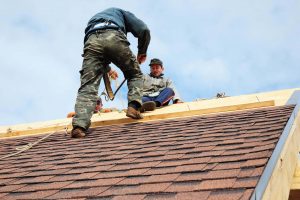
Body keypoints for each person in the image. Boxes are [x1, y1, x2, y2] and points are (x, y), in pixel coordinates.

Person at [71, 7, 151, 138]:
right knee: (134, 74)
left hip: (91, 40)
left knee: (88, 86)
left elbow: (100, 49)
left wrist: (108, 70)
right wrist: (142, 52)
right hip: (113, 35)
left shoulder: (95, 18)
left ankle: (79, 126)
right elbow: (143, 29)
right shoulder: (122, 13)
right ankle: (134, 107)